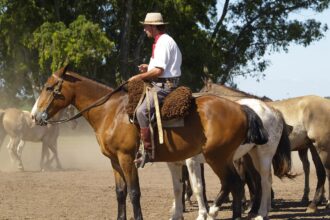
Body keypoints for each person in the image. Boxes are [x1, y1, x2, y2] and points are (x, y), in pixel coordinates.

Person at [129, 12, 182, 168]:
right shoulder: (162, 41)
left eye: (146, 26)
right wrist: (148, 67)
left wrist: (138, 77)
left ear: (153, 27)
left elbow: (159, 71)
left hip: (164, 86)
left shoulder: (163, 42)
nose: (144, 29)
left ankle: (148, 151)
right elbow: (159, 67)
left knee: (141, 112)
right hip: (161, 83)